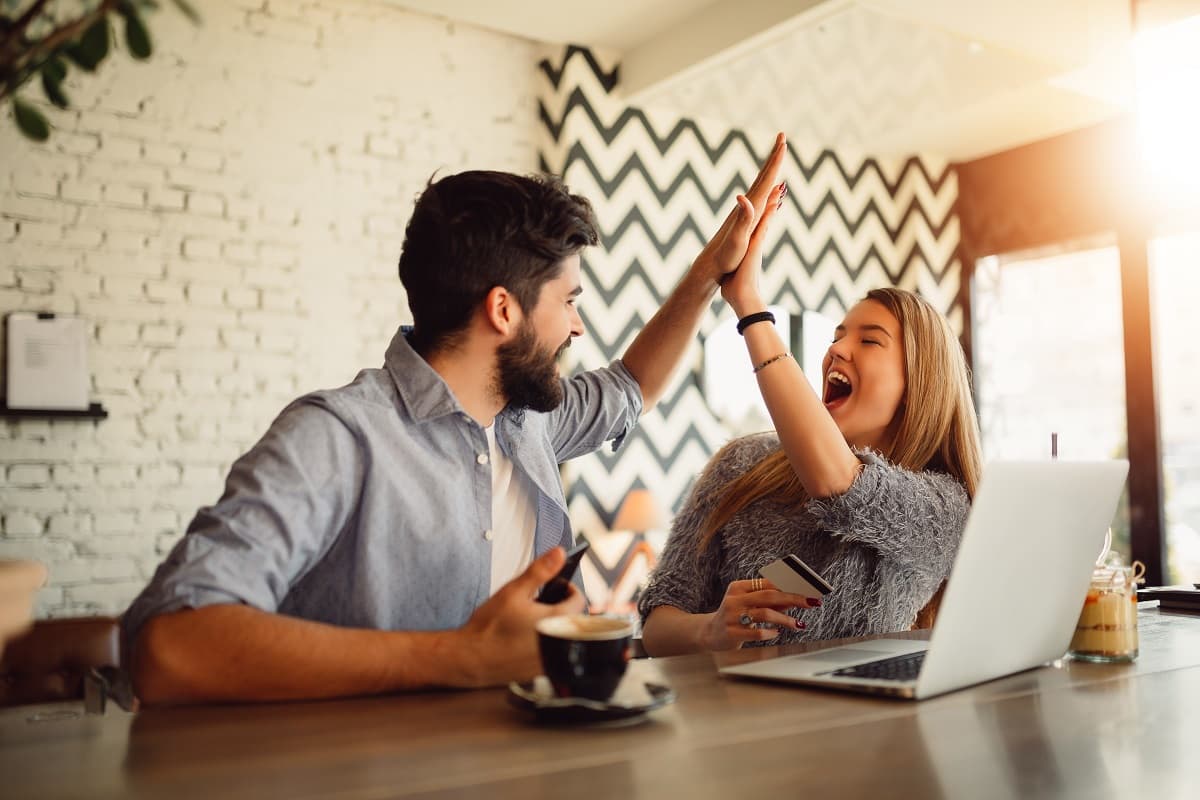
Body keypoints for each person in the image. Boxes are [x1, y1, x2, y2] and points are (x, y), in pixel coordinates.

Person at [123, 135, 790, 705]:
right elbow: (167, 648)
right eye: (569, 299)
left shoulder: (529, 422)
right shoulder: (336, 438)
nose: (577, 325)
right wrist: (460, 657)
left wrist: (712, 273)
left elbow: (632, 385)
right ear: (504, 310)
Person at [637, 192, 983, 655]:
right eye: (838, 335)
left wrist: (749, 305)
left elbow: (842, 485)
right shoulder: (740, 464)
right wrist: (709, 629)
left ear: (920, 382)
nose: (836, 350)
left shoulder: (945, 504)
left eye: (870, 341)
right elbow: (658, 626)